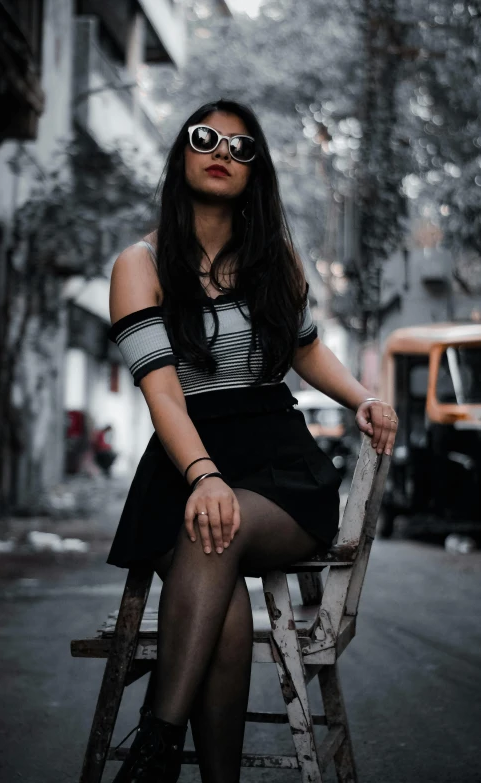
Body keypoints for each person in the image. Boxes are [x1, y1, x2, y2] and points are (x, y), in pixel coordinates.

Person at [107, 100, 397, 783]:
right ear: (182, 153)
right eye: (207, 138)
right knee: (220, 584)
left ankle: (155, 745)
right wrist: (204, 475)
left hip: (280, 466)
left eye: (242, 148)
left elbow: (306, 352)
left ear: (255, 173)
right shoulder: (139, 264)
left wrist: (363, 397)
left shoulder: (275, 260)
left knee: (219, 532)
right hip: (188, 462)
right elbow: (164, 395)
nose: (223, 152)